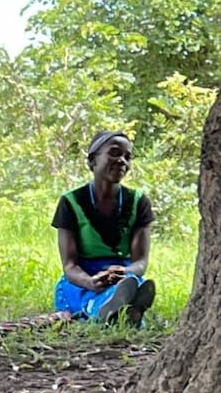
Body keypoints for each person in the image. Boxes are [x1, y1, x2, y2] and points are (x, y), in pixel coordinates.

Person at [52, 131, 157, 327]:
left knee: (133, 283)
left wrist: (124, 271)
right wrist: (91, 281)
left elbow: (140, 262)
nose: (122, 161)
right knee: (90, 295)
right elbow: (70, 266)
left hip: (123, 276)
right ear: (93, 160)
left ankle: (119, 308)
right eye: (114, 153)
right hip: (83, 277)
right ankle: (114, 310)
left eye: (127, 157)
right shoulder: (70, 202)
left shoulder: (138, 202)